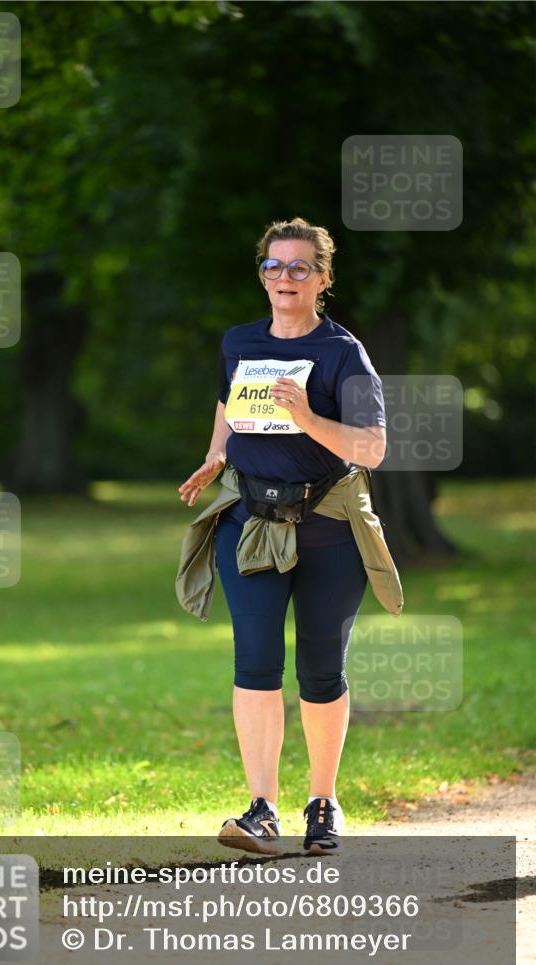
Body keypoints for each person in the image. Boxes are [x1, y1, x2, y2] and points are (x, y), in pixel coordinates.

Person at [177, 217, 388, 856]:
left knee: (322, 672)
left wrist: (307, 418)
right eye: (274, 267)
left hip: (328, 529)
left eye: (300, 268)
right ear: (262, 275)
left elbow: (371, 449)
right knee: (256, 664)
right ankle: (260, 810)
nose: (285, 278)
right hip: (250, 526)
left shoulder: (343, 353)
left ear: (323, 279)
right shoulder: (239, 341)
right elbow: (226, 403)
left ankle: (322, 804)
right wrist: (217, 454)